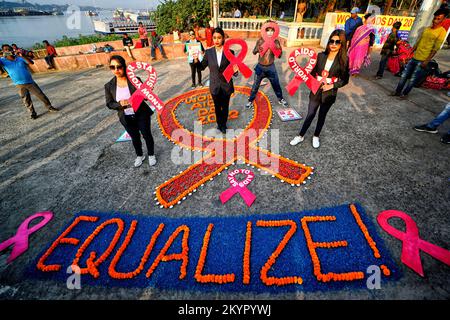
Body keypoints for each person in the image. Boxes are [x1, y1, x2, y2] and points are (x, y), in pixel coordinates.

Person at [290, 30, 349, 149]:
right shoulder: (321, 56)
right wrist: (308, 80)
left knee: (322, 116)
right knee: (310, 114)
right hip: (316, 91)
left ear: (341, 44)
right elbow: (311, 73)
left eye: (337, 42)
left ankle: (316, 136)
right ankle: (300, 135)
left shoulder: (344, 60)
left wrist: (331, 85)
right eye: (331, 41)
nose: (333, 44)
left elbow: (344, 80)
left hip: (329, 93)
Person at [104, 55, 157, 167]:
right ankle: (140, 155)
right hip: (125, 116)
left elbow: (145, 97)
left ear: (124, 66)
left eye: (119, 67)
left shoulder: (135, 80)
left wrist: (148, 91)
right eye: (112, 67)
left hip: (141, 113)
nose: (116, 70)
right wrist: (119, 104)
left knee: (147, 135)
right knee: (135, 137)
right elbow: (109, 104)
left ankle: (151, 154)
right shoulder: (109, 86)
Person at [390, 8, 449, 99]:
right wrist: (410, 54)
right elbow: (418, 42)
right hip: (414, 57)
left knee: (413, 79)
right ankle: (397, 92)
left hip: (423, 60)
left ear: (443, 19)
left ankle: (405, 94)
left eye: (438, 19)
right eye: (435, 18)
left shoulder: (442, 32)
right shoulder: (427, 29)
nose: (435, 21)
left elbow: (435, 49)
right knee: (404, 75)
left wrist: (427, 61)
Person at [0, 44, 59, 119]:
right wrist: (2, 55)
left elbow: (31, 63)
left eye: (9, 49)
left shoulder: (19, 58)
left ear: (12, 50)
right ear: (3, 51)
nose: (7, 50)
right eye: (5, 50)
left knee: (41, 95)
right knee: (26, 99)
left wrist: (22, 55)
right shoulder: (2, 60)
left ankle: (49, 107)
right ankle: (32, 113)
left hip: (30, 82)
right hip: (19, 84)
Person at [199, 27, 239, 134]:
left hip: (226, 85)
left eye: (219, 38)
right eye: (214, 38)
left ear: (223, 39)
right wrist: (196, 60)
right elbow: (201, 67)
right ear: (212, 38)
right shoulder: (208, 52)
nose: (216, 40)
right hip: (214, 85)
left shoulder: (230, 52)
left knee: (225, 106)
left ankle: (224, 125)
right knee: (217, 107)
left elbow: (234, 71)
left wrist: (235, 71)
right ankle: (219, 123)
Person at [245, 21, 289, 109]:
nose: (269, 32)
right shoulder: (260, 40)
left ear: (274, 31)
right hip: (260, 67)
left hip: (271, 67)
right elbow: (254, 52)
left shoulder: (276, 41)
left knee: (276, 84)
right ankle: (250, 100)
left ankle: (280, 99)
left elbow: (279, 55)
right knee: (255, 86)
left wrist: (276, 47)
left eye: (271, 30)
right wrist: (259, 48)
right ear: (264, 31)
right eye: (267, 30)